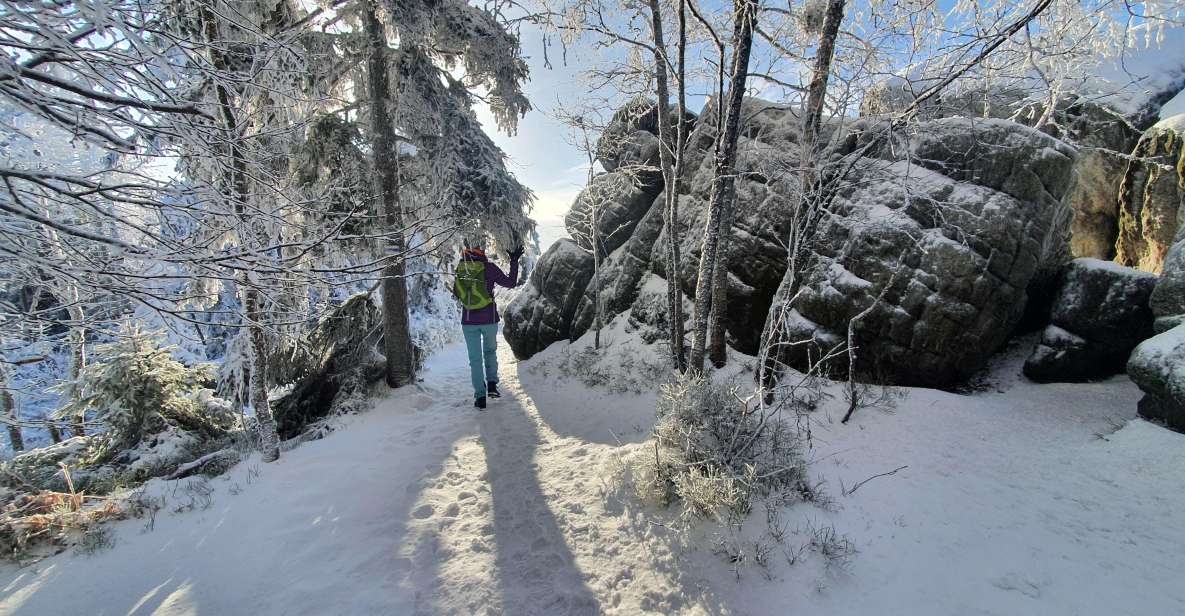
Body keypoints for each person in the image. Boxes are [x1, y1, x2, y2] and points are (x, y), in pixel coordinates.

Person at [453, 244, 523, 408]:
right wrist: (514, 260)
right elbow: (511, 283)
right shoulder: (489, 268)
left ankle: (480, 397)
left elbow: (457, 293)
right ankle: (492, 385)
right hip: (489, 319)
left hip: (469, 322)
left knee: (475, 360)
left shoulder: (461, 269)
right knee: (490, 352)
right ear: (481, 253)